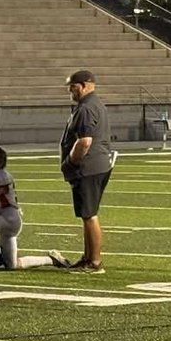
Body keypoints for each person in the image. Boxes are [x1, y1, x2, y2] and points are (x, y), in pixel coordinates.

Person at [0, 145, 69, 275]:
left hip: (9, 220)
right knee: (13, 265)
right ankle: (51, 260)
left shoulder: (0, 176)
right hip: (7, 218)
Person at [60, 70, 115, 274]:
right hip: (96, 165)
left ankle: (94, 261)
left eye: (72, 86)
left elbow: (84, 142)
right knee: (87, 214)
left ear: (83, 85)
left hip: (88, 167)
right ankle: (88, 257)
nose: (70, 91)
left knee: (90, 215)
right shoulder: (94, 105)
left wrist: (70, 162)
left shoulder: (86, 108)